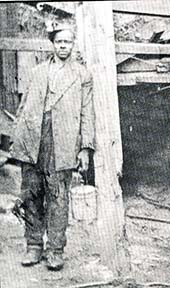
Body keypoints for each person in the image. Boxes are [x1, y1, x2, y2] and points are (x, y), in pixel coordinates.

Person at [11, 23, 95, 271]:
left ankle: (56, 249)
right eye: (59, 41)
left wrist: (85, 148)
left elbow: (87, 113)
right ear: (52, 43)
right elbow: (24, 107)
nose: (63, 46)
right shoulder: (37, 72)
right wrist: (18, 139)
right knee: (32, 193)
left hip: (64, 141)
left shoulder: (82, 75)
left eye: (67, 42)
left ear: (73, 44)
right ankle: (34, 245)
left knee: (58, 197)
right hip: (34, 139)